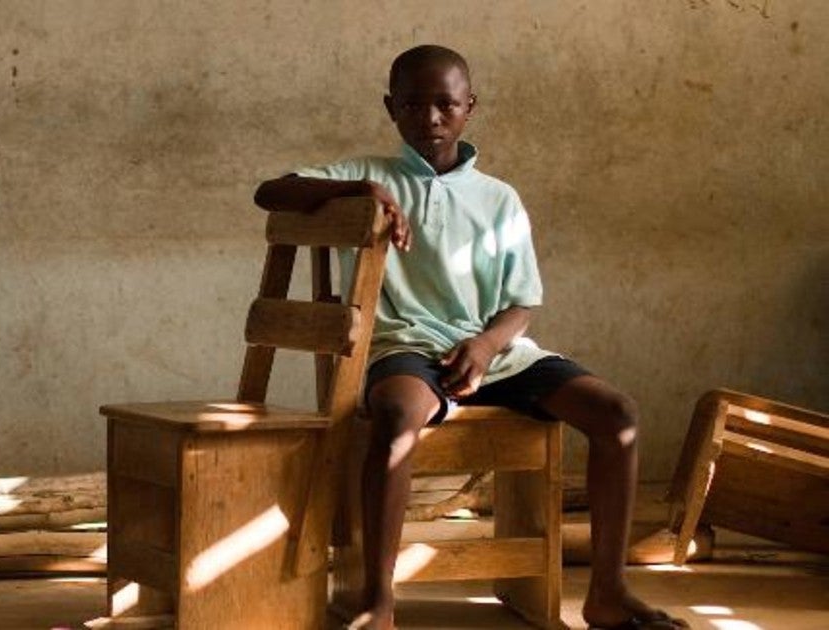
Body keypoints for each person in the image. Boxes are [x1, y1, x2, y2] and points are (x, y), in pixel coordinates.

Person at [253, 45, 688, 630]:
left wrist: (484, 348)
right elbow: (270, 192)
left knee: (617, 414)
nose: (429, 118)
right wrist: (360, 191)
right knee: (395, 415)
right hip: (402, 346)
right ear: (391, 108)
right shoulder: (372, 174)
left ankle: (607, 594)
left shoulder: (499, 198)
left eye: (445, 104)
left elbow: (521, 303)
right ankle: (376, 601)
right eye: (412, 104)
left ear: (469, 108)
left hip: (494, 351)